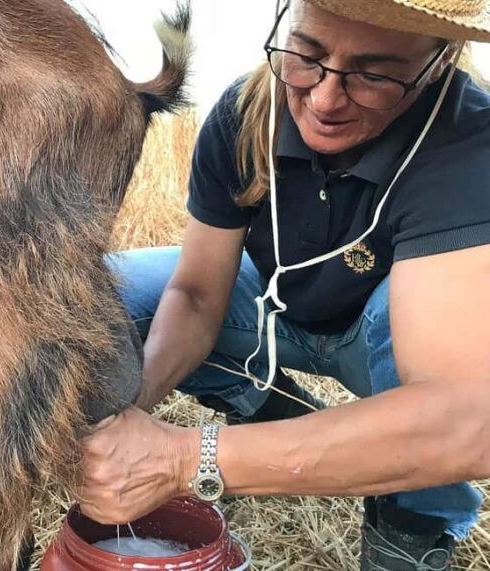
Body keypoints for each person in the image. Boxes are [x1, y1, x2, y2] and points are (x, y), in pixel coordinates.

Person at [79, 0, 490, 569]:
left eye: (374, 76)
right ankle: (270, 410)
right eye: (306, 56)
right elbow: (196, 296)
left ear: (439, 61)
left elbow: (465, 421)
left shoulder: (470, 145)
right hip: (277, 309)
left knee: (411, 331)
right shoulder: (245, 113)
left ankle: (415, 522)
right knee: (111, 300)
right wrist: (132, 403)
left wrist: (183, 458)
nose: (323, 100)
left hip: (383, 341)